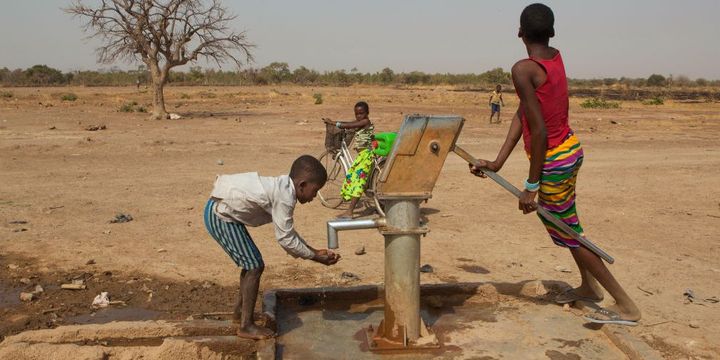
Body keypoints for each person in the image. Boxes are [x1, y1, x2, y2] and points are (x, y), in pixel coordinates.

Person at [470, 3, 641, 326]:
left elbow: (540, 129)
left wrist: (531, 187)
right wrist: (498, 162)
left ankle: (626, 304)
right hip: (569, 151)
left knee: (569, 233)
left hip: (554, 159)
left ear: (519, 33)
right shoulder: (553, 58)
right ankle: (589, 287)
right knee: (569, 227)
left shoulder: (523, 69)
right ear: (551, 33)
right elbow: (524, 114)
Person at [204, 155, 341, 339]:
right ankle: (246, 326)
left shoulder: (284, 189)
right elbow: (285, 238)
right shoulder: (285, 197)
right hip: (220, 215)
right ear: (302, 185)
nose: (314, 196)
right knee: (254, 266)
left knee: (250, 263)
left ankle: (240, 314)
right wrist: (314, 256)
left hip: (224, 211)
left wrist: (313, 251)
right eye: (314, 191)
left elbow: (288, 232)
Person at [323, 101, 375, 219]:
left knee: (357, 182)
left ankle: (350, 212)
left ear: (367, 113)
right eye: (356, 114)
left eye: (361, 113)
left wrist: (334, 123)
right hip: (363, 155)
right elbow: (352, 124)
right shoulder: (361, 122)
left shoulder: (365, 121)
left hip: (366, 155)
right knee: (352, 176)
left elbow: (350, 125)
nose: (359, 116)